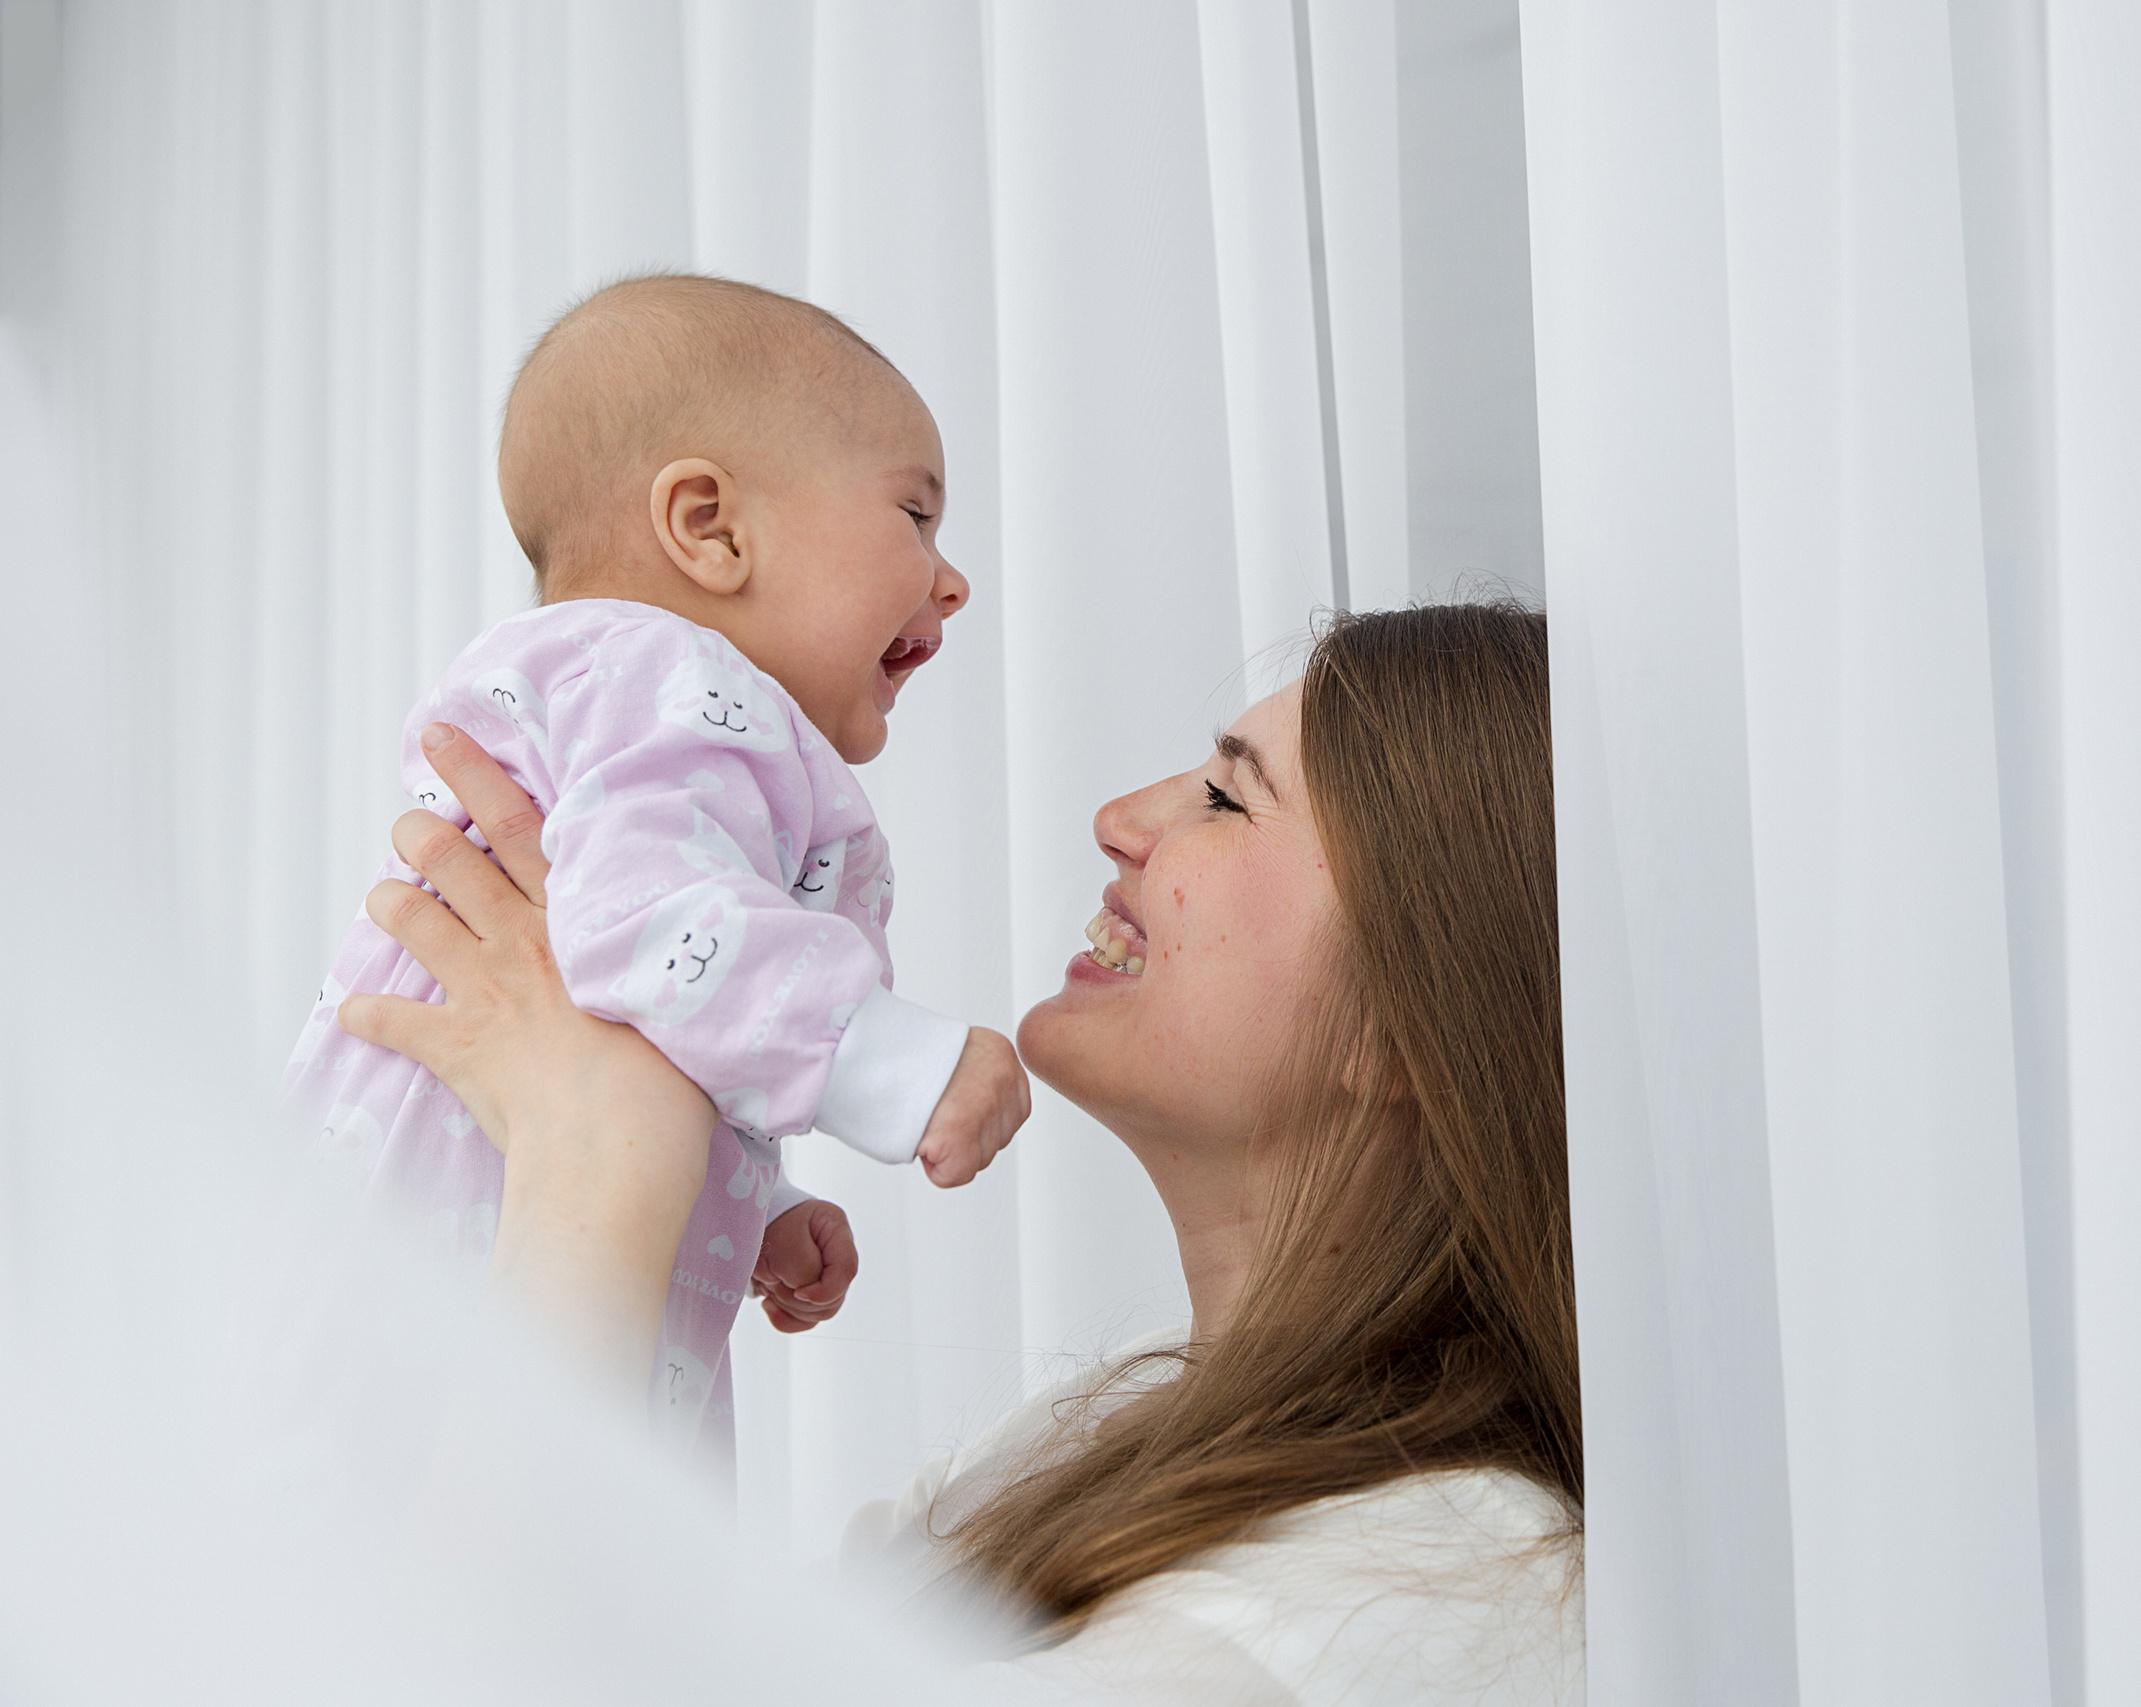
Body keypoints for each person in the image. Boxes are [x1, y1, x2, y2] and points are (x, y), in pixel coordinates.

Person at [343, 604, 1585, 1703]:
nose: (1118, 822)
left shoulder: (1413, 1603)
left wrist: (598, 1158)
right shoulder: (1060, 1465)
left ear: (1414, 1012)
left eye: (1225, 797)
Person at [285, 274, 1032, 1457]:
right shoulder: (669, 676)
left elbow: (631, 1009)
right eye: (914, 515)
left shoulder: (635, 712)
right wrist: (896, 1063)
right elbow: (645, 931)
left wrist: (752, 1201)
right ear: (711, 527)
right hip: (454, 1342)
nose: (952, 579)